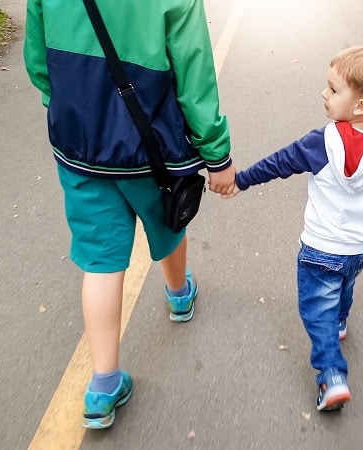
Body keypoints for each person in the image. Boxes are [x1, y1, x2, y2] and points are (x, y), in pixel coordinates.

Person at [23, 0, 236, 429]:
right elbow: (194, 76)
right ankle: (179, 295)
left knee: (101, 259)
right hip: (151, 145)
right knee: (169, 224)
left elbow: (37, 61)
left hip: (80, 144)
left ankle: (103, 385)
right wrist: (217, 153)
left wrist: (68, 105)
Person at [225, 46, 363, 411]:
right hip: (359, 248)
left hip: (319, 248)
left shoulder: (322, 142)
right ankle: (341, 319)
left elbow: (278, 163)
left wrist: (241, 181)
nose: (324, 94)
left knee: (317, 310)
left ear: (359, 105)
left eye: (332, 89)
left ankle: (332, 376)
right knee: (344, 283)